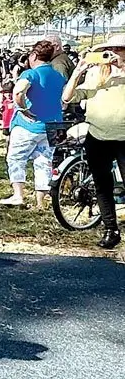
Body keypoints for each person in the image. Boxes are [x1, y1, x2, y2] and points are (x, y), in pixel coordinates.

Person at [62, 35, 125, 248]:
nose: (114, 53)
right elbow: (68, 97)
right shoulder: (96, 73)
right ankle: (110, 229)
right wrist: (78, 71)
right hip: (98, 135)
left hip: (124, 137)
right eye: (110, 48)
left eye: (119, 49)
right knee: (102, 185)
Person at [0, 40, 66, 208]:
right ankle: (40, 201)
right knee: (44, 161)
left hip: (28, 126)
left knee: (16, 158)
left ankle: (18, 195)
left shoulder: (30, 74)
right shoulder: (58, 75)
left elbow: (19, 91)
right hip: (53, 125)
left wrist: (22, 108)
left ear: (33, 55)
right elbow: (64, 99)